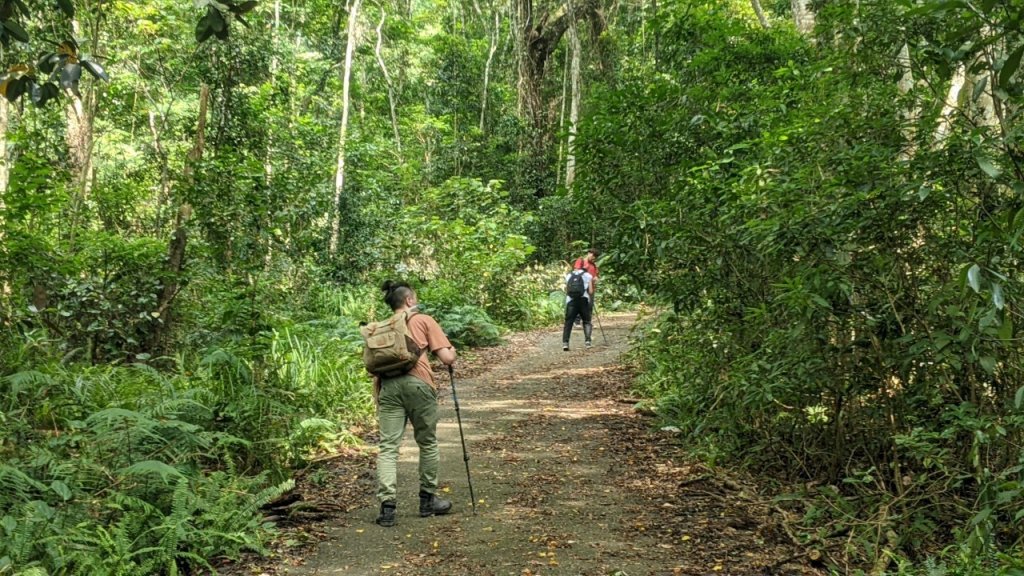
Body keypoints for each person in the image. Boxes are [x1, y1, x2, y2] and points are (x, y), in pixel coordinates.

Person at [373, 280, 457, 527]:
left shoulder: (383, 327)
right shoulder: (423, 320)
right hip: (419, 384)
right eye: (415, 298)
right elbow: (446, 358)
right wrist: (451, 349)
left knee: (388, 447)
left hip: (388, 387)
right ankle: (427, 500)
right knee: (427, 442)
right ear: (409, 300)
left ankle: (387, 507)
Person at [562, 261, 594, 351]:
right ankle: (588, 342)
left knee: (568, 323)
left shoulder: (568, 275)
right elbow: (591, 291)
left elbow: (567, 289)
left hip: (571, 301)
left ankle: (565, 343)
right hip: (583, 300)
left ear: (575, 266)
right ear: (584, 267)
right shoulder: (588, 275)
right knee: (587, 321)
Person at [571, 248, 600, 326]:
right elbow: (576, 272)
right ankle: (576, 322)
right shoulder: (581, 261)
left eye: (595, 258)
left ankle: (587, 322)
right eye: (593, 256)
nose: (594, 259)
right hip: (581, 287)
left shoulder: (594, 265)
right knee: (580, 304)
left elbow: (596, 275)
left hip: (591, 288)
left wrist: (596, 278)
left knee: (589, 306)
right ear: (589, 253)